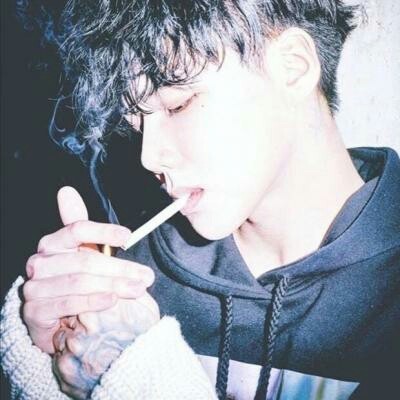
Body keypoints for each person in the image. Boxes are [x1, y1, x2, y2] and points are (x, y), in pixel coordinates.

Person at [1, 0, 399, 399]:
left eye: (177, 105)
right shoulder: (132, 281)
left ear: (292, 67)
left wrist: (139, 377)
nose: (149, 157)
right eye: (135, 123)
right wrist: (50, 368)